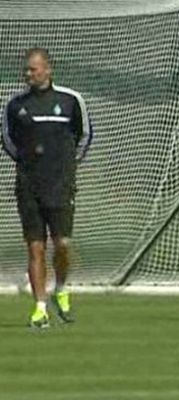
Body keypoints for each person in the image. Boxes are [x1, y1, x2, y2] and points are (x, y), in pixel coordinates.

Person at [2, 47, 93, 328]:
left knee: (63, 245)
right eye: (26, 69)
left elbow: (84, 136)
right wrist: (31, 165)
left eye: (33, 68)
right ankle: (40, 307)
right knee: (35, 248)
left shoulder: (69, 101)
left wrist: (64, 167)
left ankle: (61, 289)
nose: (28, 74)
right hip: (29, 186)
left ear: (47, 69)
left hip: (61, 185)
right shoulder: (15, 105)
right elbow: (8, 141)